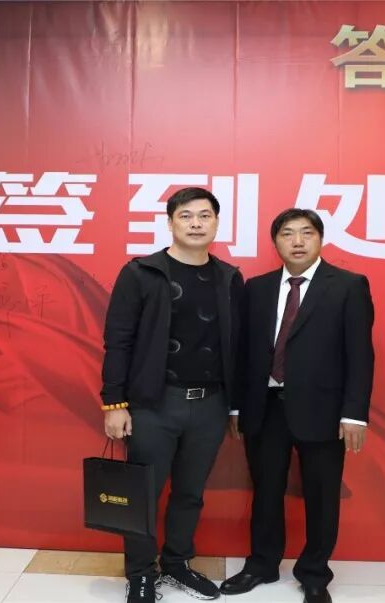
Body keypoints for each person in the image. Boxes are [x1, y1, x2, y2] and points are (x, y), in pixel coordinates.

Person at [222, 208, 373, 603]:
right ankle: (262, 564)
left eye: (307, 233)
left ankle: (314, 573)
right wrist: (237, 407)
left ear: (321, 239)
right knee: (266, 490)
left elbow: (360, 355)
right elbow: (243, 354)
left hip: (324, 411)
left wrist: (354, 414)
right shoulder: (257, 288)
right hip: (265, 407)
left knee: (322, 495)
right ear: (276, 242)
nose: (298, 241)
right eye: (288, 234)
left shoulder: (348, 286)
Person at [100, 187, 243, 603]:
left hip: (210, 405)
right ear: (170, 223)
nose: (196, 223)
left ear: (216, 223)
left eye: (204, 215)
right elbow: (118, 341)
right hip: (154, 406)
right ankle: (141, 574)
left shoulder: (229, 278)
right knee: (142, 494)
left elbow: (239, 346)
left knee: (190, 493)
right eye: (186, 216)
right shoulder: (141, 273)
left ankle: (178, 563)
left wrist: (234, 406)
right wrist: (115, 403)